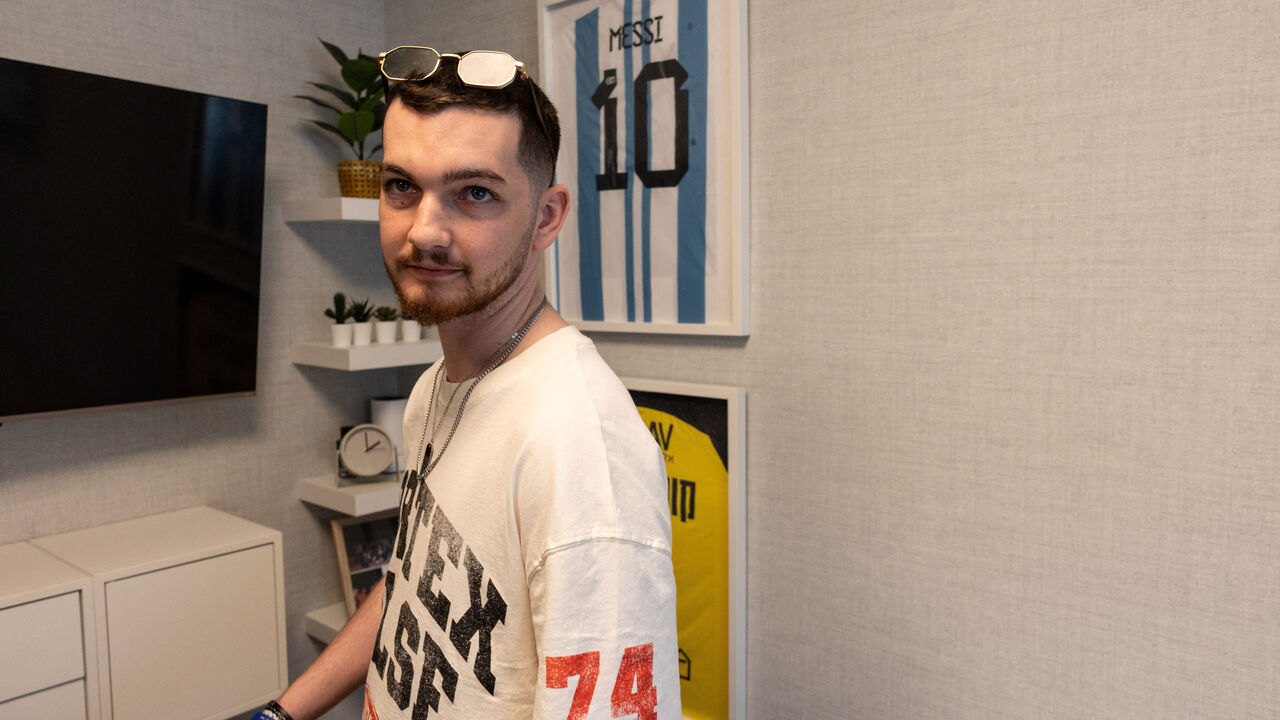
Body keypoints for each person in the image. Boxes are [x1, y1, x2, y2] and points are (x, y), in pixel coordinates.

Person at [255, 47, 681, 720]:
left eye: (474, 194)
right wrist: (281, 713)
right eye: (402, 188)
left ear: (546, 217)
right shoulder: (434, 391)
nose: (424, 230)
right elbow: (410, 589)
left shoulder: (578, 447)